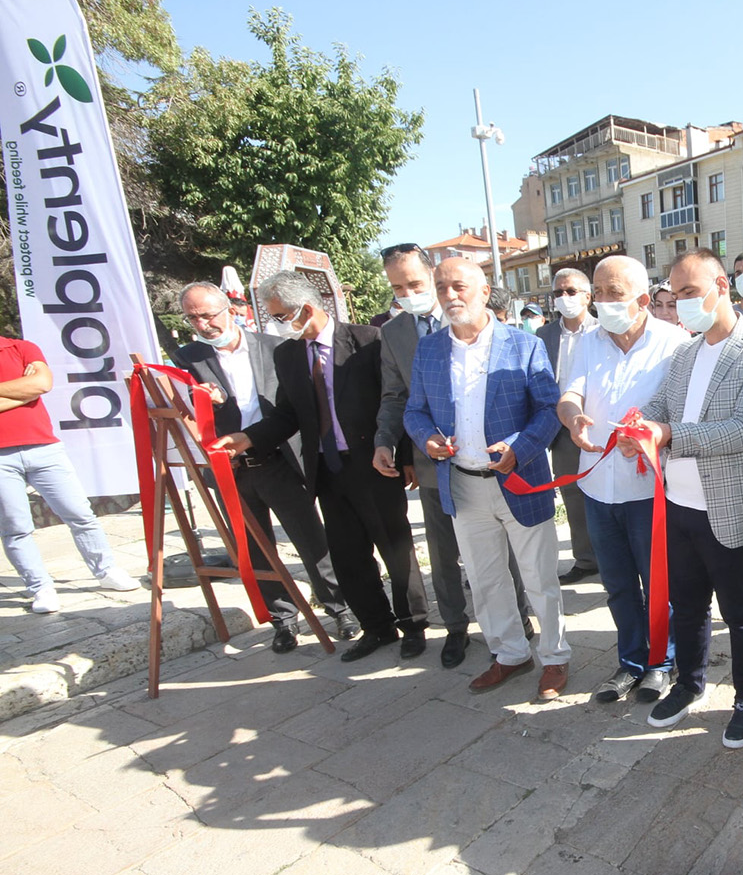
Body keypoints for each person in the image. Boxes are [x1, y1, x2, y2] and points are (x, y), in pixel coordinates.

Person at [213, 271, 430, 663]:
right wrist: (250, 437)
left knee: (394, 547)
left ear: (306, 309)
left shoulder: (367, 341)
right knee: (348, 554)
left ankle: (412, 625)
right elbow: (289, 414)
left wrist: (406, 455)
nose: (276, 324)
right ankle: (376, 626)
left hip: (376, 463)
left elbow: (394, 400)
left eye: (280, 316)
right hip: (327, 470)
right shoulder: (289, 354)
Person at [637, 250, 743, 747]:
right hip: (679, 504)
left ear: (721, 285)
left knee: (741, 610)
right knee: (687, 605)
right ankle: (690, 683)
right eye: (675, 293)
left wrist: (667, 433)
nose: (680, 302)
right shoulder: (685, 352)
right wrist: (641, 424)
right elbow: (660, 404)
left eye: (689, 291)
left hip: (730, 507)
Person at [403, 258, 572, 700]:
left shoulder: (523, 345)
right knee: (484, 577)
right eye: (442, 287)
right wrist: (427, 440)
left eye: (459, 286)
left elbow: (548, 409)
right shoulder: (430, 349)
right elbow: (414, 410)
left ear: (483, 291)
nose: (450, 295)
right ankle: (510, 654)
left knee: (539, 577)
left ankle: (554, 658)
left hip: (519, 480)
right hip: (462, 483)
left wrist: (519, 447)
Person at [374, 244, 532, 669]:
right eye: (397, 288)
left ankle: (517, 620)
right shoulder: (393, 333)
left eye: (415, 284)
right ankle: (456, 628)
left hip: (493, 461)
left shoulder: (475, 316)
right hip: (434, 463)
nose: (409, 294)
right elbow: (396, 397)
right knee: (444, 552)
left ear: (436, 277)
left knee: (504, 547)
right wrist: (385, 442)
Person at [175, 282, 357, 651]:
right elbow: (184, 414)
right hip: (230, 469)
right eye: (192, 317)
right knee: (255, 547)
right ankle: (283, 619)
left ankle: (340, 608)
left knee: (310, 538)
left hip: (278, 460)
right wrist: (209, 404)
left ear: (230, 309)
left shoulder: (275, 348)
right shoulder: (186, 359)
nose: (202, 324)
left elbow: (289, 407)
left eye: (208, 314)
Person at [557, 255, 689, 702]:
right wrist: (573, 418)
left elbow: (681, 410)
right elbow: (569, 393)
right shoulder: (586, 343)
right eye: (598, 293)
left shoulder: (675, 343)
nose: (603, 302)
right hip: (597, 485)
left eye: (614, 293)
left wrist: (650, 435)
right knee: (616, 582)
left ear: (643, 299)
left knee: (658, 583)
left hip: (650, 488)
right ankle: (630, 661)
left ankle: (664, 662)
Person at [1, 336, 140, 613]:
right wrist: (23, 391)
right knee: (15, 528)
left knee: (79, 513)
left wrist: (31, 389)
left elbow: (42, 384)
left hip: (44, 447)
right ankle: (40, 587)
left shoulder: (20, 347)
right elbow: (32, 388)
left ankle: (106, 570)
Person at [536, 269, 601, 584]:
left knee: (605, 494)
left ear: (588, 296)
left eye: (571, 291)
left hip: (600, 426)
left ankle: (614, 557)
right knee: (572, 496)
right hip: (560, 430)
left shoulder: (603, 331)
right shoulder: (544, 336)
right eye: (558, 293)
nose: (564, 298)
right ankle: (586, 559)